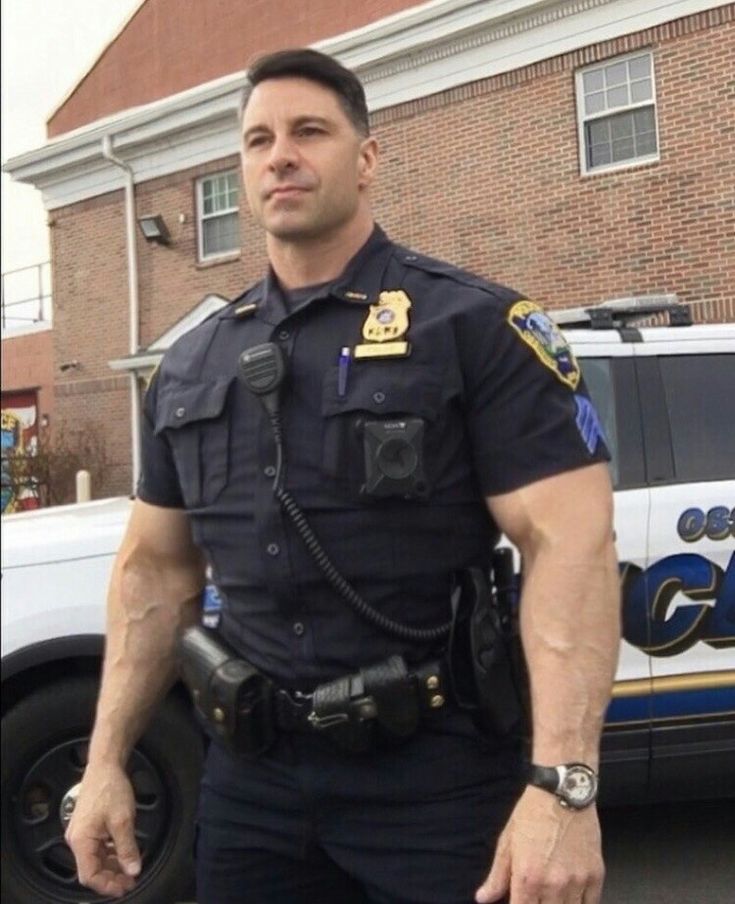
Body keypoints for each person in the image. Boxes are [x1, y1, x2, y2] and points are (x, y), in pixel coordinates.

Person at [66, 48, 620, 904]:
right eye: (257, 140)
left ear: (366, 159)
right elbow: (156, 572)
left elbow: (570, 548)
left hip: (436, 783)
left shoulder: (473, 326)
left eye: (309, 131)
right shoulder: (191, 365)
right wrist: (105, 763)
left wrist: (563, 788)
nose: (279, 154)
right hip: (252, 786)